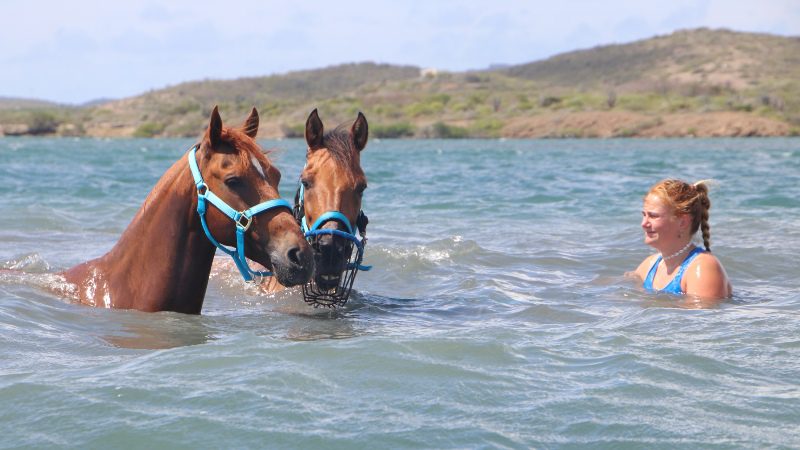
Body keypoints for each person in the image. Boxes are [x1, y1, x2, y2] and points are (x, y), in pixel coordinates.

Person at [631, 179, 732, 303]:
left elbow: (703, 319)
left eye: (653, 216)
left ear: (683, 222)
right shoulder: (649, 265)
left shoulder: (702, 267)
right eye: (644, 215)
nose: (644, 223)